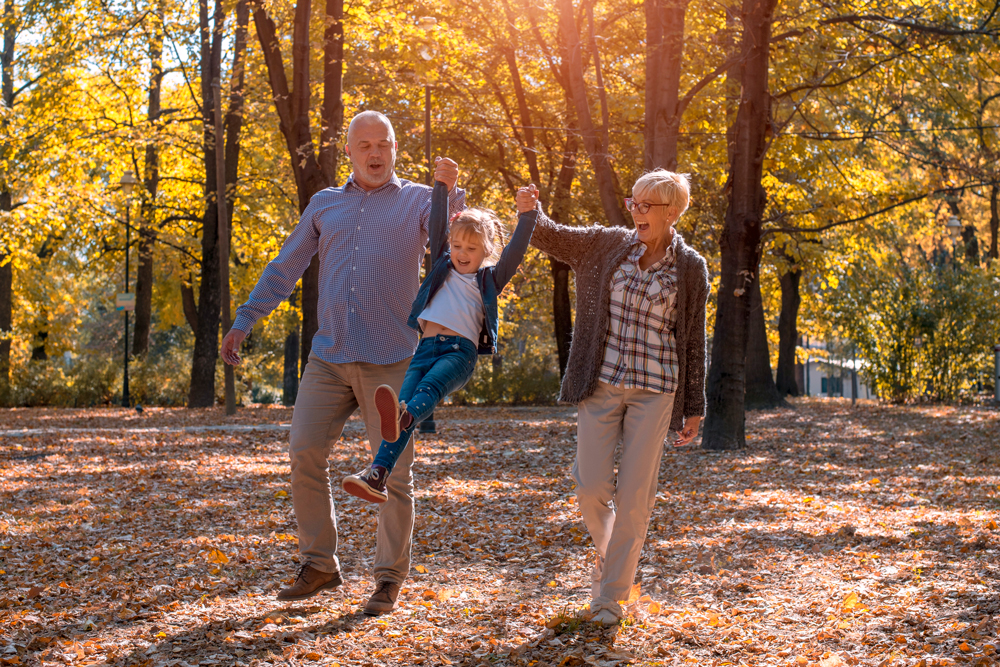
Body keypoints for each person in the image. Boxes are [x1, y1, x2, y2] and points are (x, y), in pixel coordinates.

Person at [220, 110, 465, 616]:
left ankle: (388, 578)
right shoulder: (324, 204)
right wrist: (245, 320)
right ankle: (319, 564)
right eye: (365, 145)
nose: (375, 153)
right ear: (349, 152)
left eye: (384, 144)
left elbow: (452, 245)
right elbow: (285, 265)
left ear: (395, 149)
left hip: (394, 359)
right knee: (304, 452)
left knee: (393, 472)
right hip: (329, 357)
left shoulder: (421, 200)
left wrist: (450, 193)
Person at [520, 170, 709, 626]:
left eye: (647, 205)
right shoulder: (607, 244)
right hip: (600, 383)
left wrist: (694, 406)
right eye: (634, 203)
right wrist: (530, 211)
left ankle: (610, 598)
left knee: (635, 498)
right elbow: (553, 237)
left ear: (672, 212)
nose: (636, 212)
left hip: (656, 390)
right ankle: (613, 561)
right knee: (590, 487)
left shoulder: (690, 268)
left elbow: (692, 341)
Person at [342, 181, 539, 502]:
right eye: (457, 245)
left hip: (458, 353)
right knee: (398, 413)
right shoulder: (441, 269)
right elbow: (436, 225)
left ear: (486, 251)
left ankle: (405, 420)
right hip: (424, 351)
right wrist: (442, 186)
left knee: (426, 391)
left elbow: (514, 252)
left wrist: (527, 214)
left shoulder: (488, 279)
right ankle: (376, 475)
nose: (462, 253)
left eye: (471, 249)